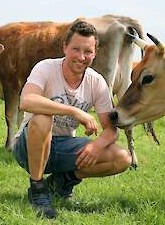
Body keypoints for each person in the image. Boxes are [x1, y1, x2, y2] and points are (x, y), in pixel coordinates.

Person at [13, 20, 132, 219]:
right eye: (75, 49)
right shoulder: (46, 68)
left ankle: (63, 181)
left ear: (95, 53)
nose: (81, 57)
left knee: (122, 158)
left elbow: (111, 129)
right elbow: (26, 101)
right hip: (29, 147)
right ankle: (38, 188)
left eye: (88, 51)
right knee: (42, 118)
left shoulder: (96, 82)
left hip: (64, 147)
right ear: (65, 48)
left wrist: (97, 146)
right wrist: (75, 112)